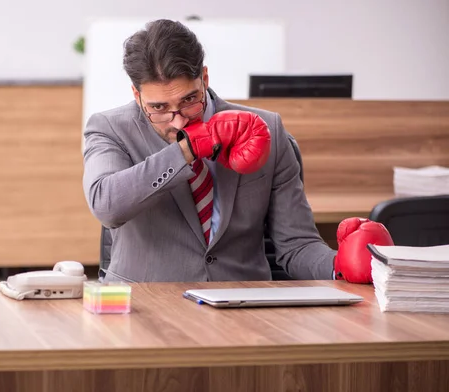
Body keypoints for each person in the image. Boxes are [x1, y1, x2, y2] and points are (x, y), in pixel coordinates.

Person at [82, 19, 393, 283]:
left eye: (190, 100)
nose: (177, 120)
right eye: (159, 107)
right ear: (137, 95)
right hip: (145, 309)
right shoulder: (110, 129)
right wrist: (186, 151)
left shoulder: (266, 128)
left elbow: (296, 244)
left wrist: (340, 267)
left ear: (204, 78)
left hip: (245, 308)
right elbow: (107, 206)